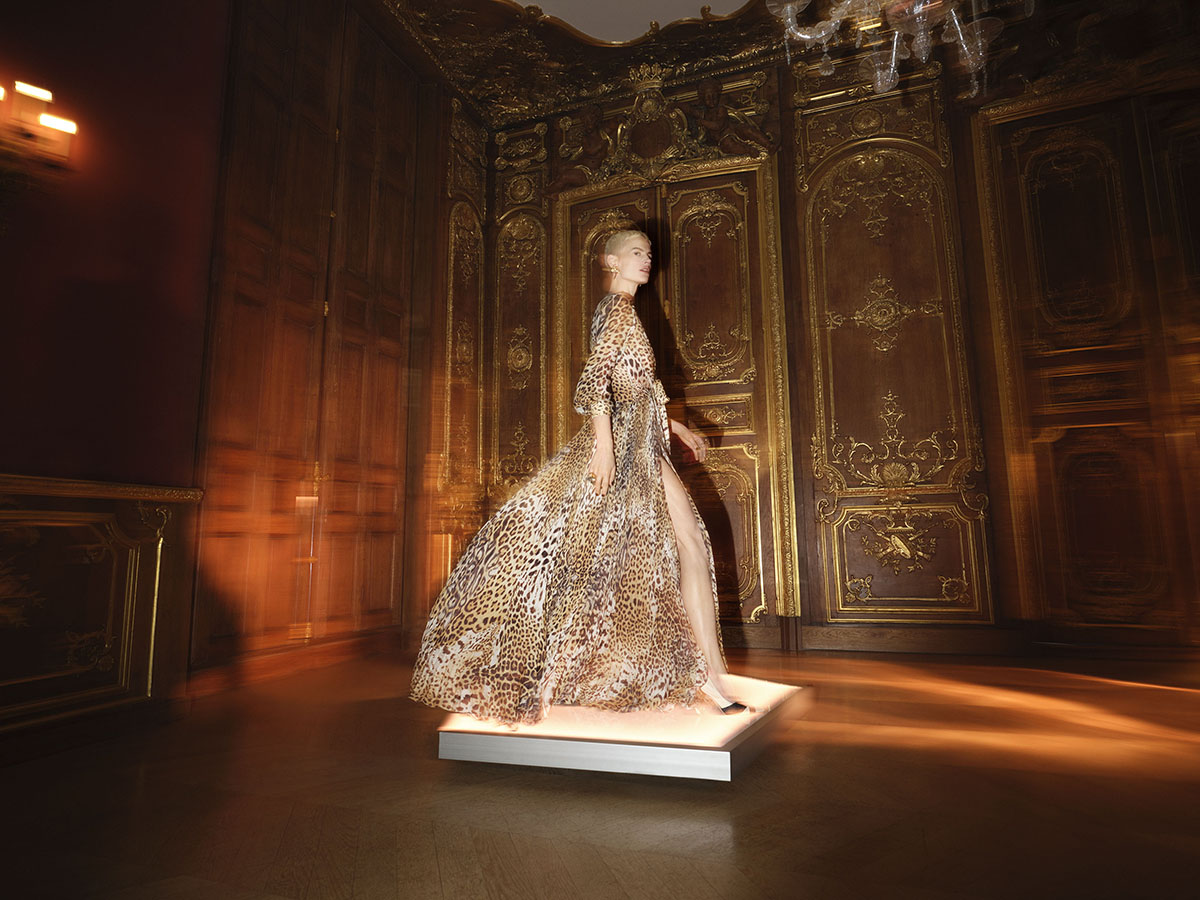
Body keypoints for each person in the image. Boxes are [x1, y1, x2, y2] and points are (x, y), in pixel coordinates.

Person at [410, 230, 745, 725]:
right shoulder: (615, 309)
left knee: (681, 546)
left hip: (642, 441)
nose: (646, 259)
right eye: (636, 252)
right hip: (626, 448)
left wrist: (676, 425)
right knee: (677, 546)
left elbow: (637, 387)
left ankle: (710, 674)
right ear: (610, 260)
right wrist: (605, 449)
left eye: (649, 253)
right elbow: (594, 383)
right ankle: (709, 677)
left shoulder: (625, 313)